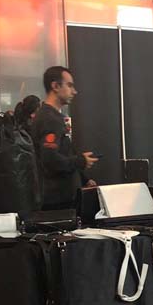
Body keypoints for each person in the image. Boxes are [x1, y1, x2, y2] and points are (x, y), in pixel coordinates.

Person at [31, 66, 98, 210]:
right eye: (69, 85)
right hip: (56, 201)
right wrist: (80, 161)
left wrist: (83, 178)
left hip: (63, 196)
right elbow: (49, 159)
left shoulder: (54, 117)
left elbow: (63, 153)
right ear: (55, 86)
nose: (74, 91)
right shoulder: (49, 119)